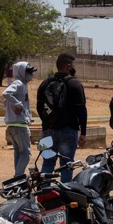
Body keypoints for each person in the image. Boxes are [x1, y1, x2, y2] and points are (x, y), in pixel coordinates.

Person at [36, 53, 87, 183]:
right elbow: (81, 110)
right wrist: (83, 132)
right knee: (66, 165)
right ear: (68, 66)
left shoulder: (45, 83)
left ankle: (43, 194)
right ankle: (66, 196)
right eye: (73, 65)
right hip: (68, 131)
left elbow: (39, 108)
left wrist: (47, 123)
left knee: (47, 163)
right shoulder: (75, 84)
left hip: (47, 131)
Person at [3, 62, 37, 177]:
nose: (31, 74)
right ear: (21, 72)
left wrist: (16, 106)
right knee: (26, 154)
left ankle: (17, 178)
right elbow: (6, 93)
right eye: (28, 72)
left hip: (13, 125)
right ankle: (18, 178)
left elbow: (6, 101)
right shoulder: (18, 83)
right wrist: (17, 104)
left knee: (18, 152)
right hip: (19, 125)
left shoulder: (21, 84)